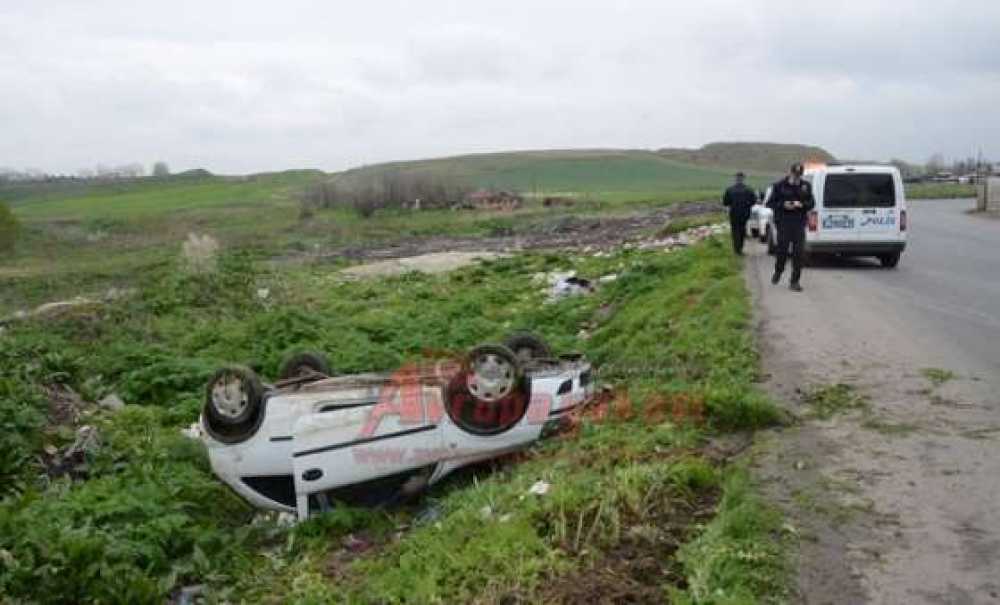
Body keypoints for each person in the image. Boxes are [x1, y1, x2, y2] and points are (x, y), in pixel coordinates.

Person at [767, 162, 814, 292]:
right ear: (790, 172)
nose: (797, 177)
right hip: (783, 223)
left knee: (799, 253)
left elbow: (811, 203)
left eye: (799, 175)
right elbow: (770, 203)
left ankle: (794, 281)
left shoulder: (806, 186)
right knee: (782, 251)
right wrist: (783, 205)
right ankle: (778, 270)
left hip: (799, 224)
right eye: (795, 175)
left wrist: (802, 205)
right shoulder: (779, 186)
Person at [722, 171, 757, 255]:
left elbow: (725, 202)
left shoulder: (730, 189)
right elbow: (754, 201)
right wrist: (747, 205)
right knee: (742, 231)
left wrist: (732, 204)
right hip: (745, 214)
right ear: (743, 179)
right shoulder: (749, 189)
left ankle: (736, 249)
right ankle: (740, 248)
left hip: (734, 213)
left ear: (736, 179)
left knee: (735, 231)